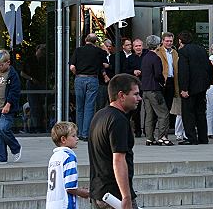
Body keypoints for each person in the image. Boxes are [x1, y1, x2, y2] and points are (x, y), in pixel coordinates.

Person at [89, 74, 141, 209]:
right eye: (135, 94)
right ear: (121, 95)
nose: (139, 98)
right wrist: (126, 196)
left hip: (99, 193)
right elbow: (118, 160)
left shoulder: (99, 115)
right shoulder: (118, 120)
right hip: (114, 196)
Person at [70, 33, 108, 141]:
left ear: (85, 40)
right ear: (95, 41)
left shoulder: (78, 50)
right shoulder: (99, 52)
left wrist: (77, 73)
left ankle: (78, 132)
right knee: (89, 107)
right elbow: (106, 64)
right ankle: (85, 134)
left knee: (79, 107)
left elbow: (72, 67)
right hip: (92, 79)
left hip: (80, 78)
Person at [177, 31, 213, 145]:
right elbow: (209, 67)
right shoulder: (202, 50)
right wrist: (207, 83)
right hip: (202, 87)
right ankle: (203, 137)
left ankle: (191, 138)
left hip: (190, 88)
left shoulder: (183, 51)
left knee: (188, 113)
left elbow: (184, 71)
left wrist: (184, 88)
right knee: (201, 113)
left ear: (180, 41)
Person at [0, 49, 22, 165]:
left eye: (1, 65)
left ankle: (16, 147)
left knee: (3, 128)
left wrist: (9, 104)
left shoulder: (12, 75)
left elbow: (14, 91)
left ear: (8, 63)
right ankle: (0, 157)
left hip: (7, 107)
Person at [46, 121, 89, 209]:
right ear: (63, 139)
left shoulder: (54, 157)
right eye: (73, 136)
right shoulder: (69, 157)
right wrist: (85, 193)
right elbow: (70, 187)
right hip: (65, 204)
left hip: (52, 204)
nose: (77, 138)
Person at [141, 35, 172, 146]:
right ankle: (162, 137)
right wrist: (162, 82)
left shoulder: (145, 57)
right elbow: (158, 74)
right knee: (163, 113)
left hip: (145, 89)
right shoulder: (156, 58)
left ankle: (149, 138)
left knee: (149, 115)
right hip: (154, 89)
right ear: (158, 45)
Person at [22, 43, 47, 133]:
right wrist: (31, 79)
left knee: (41, 106)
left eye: (45, 50)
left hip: (41, 84)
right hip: (32, 84)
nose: (43, 52)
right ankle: (34, 127)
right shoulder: (30, 60)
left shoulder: (44, 61)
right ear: (37, 50)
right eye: (42, 50)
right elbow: (23, 73)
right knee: (34, 106)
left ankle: (40, 126)